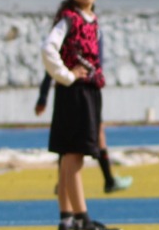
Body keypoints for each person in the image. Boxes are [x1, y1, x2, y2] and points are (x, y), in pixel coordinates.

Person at [41, 0, 122, 230]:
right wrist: (65, 75)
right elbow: (48, 48)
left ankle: (67, 221)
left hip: (87, 91)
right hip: (75, 92)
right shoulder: (69, 19)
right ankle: (83, 219)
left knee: (68, 157)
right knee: (74, 155)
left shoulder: (91, 21)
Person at [36, 29, 131, 195]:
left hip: (83, 91)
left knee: (75, 140)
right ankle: (101, 181)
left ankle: (68, 185)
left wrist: (43, 96)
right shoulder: (71, 28)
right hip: (78, 92)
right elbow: (52, 62)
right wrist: (43, 96)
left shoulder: (89, 29)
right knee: (77, 141)